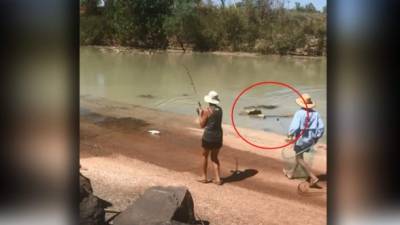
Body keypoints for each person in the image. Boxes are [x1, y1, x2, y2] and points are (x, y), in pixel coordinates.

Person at [283, 93, 324, 187]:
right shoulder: (316, 114)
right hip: (310, 139)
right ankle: (291, 174)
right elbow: (321, 127)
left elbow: (294, 127)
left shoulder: (299, 113)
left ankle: (313, 177)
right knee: (299, 155)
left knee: (299, 158)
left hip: (301, 139)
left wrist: (290, 135)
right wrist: (317, 137)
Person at [197, 90, 223, 185]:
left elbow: (201, 125)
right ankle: (218, 179)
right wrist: (203, 113)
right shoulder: (220, 110)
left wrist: (200, 114)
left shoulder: (207, 111)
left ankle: (204, 177)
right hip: (218, 136)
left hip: (208, 137)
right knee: (215, 157)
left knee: (205, 156)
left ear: (209, 100)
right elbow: (213, 121)